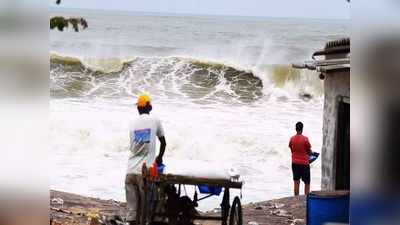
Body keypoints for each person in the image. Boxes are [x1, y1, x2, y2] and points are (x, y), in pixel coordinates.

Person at [125, 94, 166, 225]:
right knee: (146, 211)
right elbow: (163, 142)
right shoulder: (155, 120)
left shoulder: (132, 123)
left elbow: (134, 147)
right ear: (150, 107)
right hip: (145, 173)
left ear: (138, 109)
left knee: (132, 212)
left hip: (130, 171)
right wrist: (159, 158)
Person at [289, 122, 312, 196]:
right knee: (307, 182)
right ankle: (307, 200)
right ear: (302, 129)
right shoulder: (305, 139)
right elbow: (309, 151)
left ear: (296, 129)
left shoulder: (292, 139)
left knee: (296, 182)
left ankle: (296, 199)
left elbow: (291, 148)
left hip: (295, 163)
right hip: (305, 163)